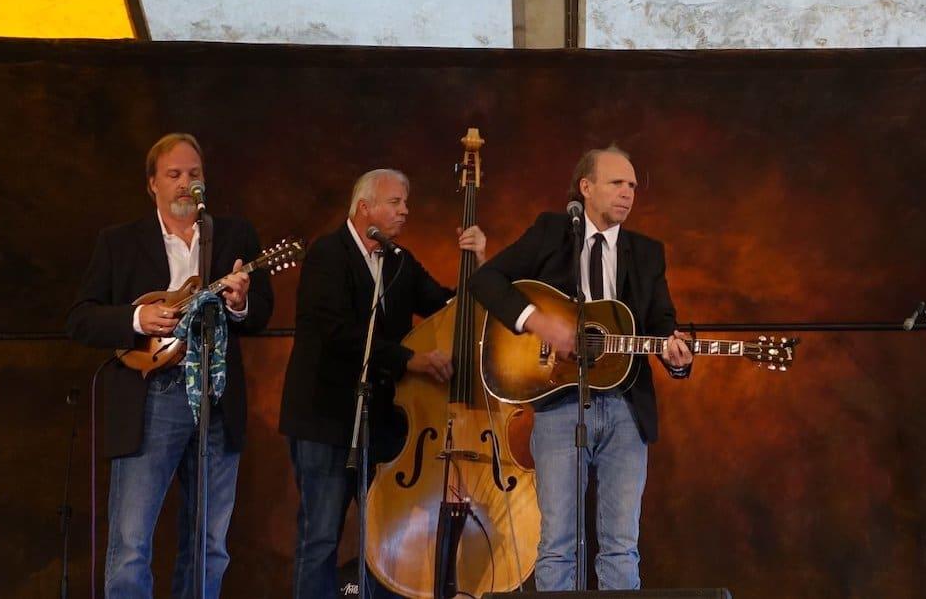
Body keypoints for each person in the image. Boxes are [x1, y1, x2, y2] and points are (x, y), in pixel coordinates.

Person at [470, 145, 693, 592]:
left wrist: (677, 353)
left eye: (632, 185)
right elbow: (486, 279)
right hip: (558, 403)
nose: (628, 193)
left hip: (627, 409)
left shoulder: (647, 253)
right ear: (586, 188)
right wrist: (538, 321)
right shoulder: (552, 232)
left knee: (620, 545)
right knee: (558, 544)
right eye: (617, 183)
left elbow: (663, 324)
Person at [67, 133, 274, 599]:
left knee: (211, 545)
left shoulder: (234, 236)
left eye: (194, 175)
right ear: (152, 185)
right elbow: (80, 318)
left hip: (217, 399)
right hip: (153, 397)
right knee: (131, 544)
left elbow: (261, 312)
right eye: (174, 175)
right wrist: (137, 318)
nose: (186, 184)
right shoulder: (119, 242)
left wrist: (241, 303)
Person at [278, 168, 487, 599]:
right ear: (364, 208)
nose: (405, 211)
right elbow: (338, 334)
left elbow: (447, 308)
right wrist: (411, 360)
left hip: (384, 425)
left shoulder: (399, 262)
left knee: (388, 535)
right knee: (320, 537)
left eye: (405, 203)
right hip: (325, 420)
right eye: (396, 202)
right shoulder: (327, 256)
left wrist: (478, 262)